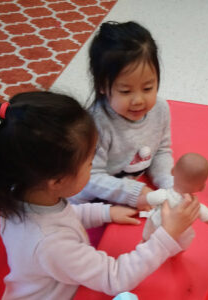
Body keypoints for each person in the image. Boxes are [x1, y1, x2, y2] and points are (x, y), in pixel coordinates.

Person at [0, 91, 200, 299]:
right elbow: (114, 278)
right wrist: (167, 235)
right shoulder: (51, 243)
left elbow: (65, 215)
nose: (92, 168)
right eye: (88, 163)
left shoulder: (23, 192)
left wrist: (105, 212)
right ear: (56, 181)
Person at [69, 21, 174, 210]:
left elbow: (161, 151)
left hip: (132, 197)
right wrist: (134, 192)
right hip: (92, 206)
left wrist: (168, 182)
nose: (138, 100)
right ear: (102, 86)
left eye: (148, 88)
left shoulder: (160, 109)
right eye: (125, 91)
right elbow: (90, 178)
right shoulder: (95, 124)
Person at [142, 152, 208, 245]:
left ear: (172, 171)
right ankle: (177, 253)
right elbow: (207, 216)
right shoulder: (193, 205)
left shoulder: (162, 194)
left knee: (148, 235)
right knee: (182, 242)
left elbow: (144, 199)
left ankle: (145, 241)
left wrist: (137, 203)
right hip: (179, 232)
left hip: (156, 225)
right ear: (202, 187)